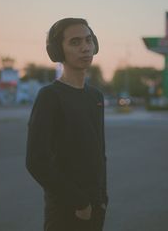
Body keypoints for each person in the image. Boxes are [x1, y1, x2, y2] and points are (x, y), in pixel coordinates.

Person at [26, 18, 108, 231]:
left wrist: (102, 197)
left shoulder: (95, 96)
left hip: (96, 206)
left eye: (89, 40)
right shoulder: (50, 97)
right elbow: (36, 162)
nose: (85, 47)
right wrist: (79, 203)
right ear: (57, 51)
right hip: (66, 211)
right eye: (75, 42)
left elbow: (99, 152)